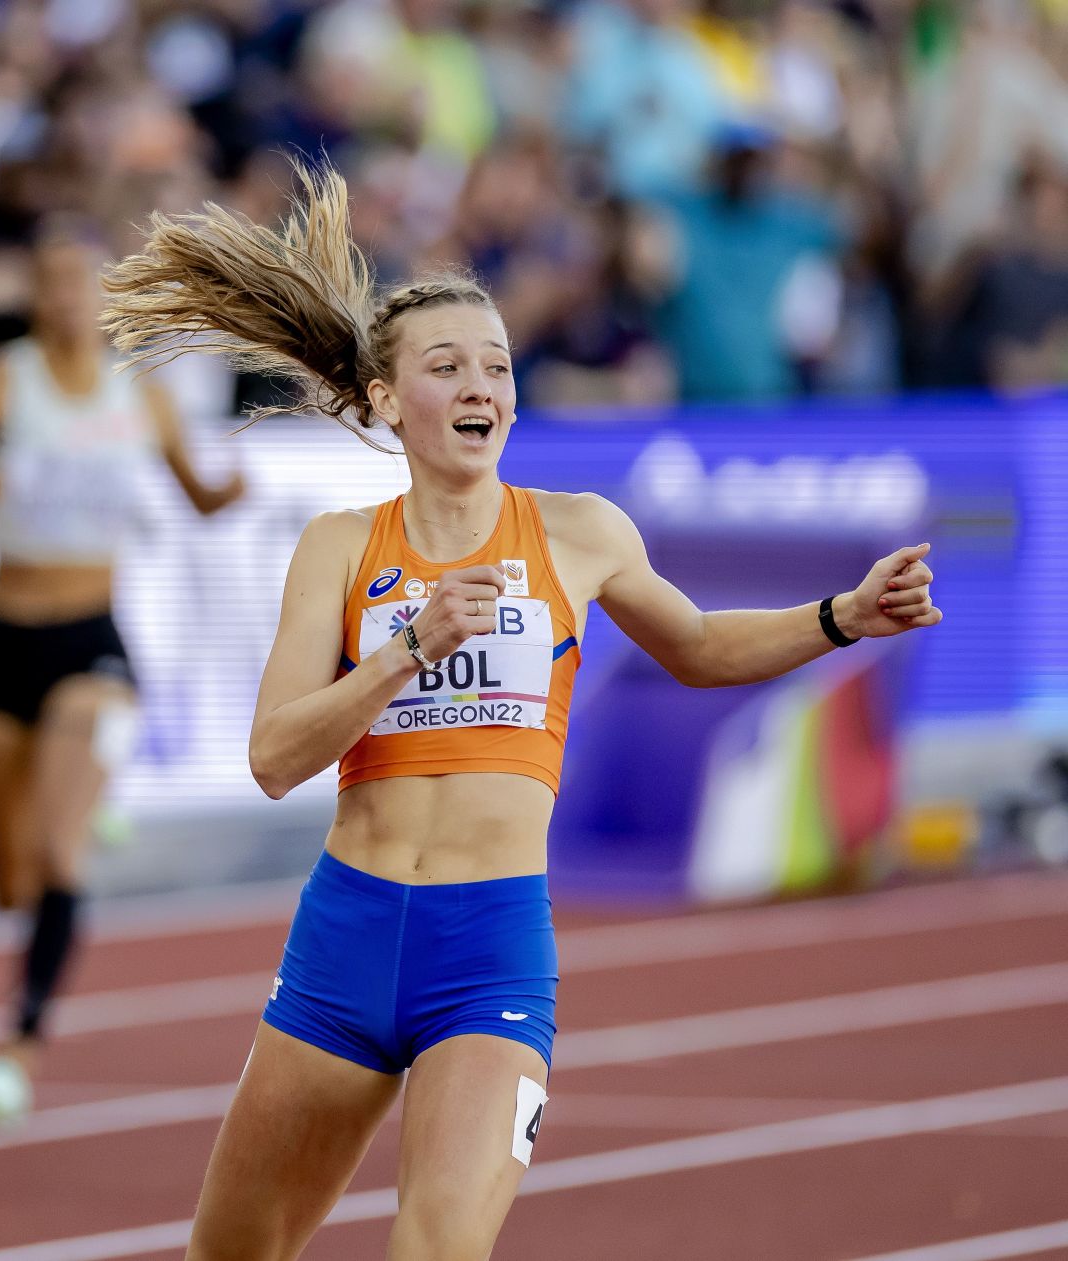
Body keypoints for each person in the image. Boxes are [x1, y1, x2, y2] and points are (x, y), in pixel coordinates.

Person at [99, 166, 940, 1260]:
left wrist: (842, 615)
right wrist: (408, 647)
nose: (480, 384)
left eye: (495, 365)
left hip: (487, 950)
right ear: (389, 400)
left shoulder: (579, 531)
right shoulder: (342, 548)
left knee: (437, 1248)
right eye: (445, 366)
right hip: (344, 943)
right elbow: (272, 756)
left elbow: (695, 646)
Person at [0, 223, 245, 1121]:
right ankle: (83, 791)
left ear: (107, 296)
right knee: (9, 880)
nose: (67, 301)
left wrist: (228, 491)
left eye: (81, 284)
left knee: (58, 850)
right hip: (4, 640)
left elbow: (198, 497)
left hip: (96, 638)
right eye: (50, 283)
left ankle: (19, 1048)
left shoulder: (143, 392)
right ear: (34, 297)